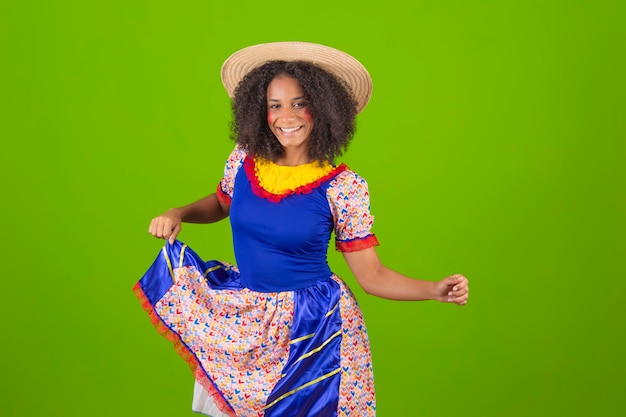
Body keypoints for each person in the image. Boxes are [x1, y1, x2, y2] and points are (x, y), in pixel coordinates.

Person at [134, 41, 469, 417]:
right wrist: (178, 212)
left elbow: (372, 275)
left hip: (315, 326)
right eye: (274, 105)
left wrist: (434, 290)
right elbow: (222, 205)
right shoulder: (243, 160)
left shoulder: (343, 187)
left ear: (323, 109)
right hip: (249, 316)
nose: (286, 115)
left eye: (300, 103)